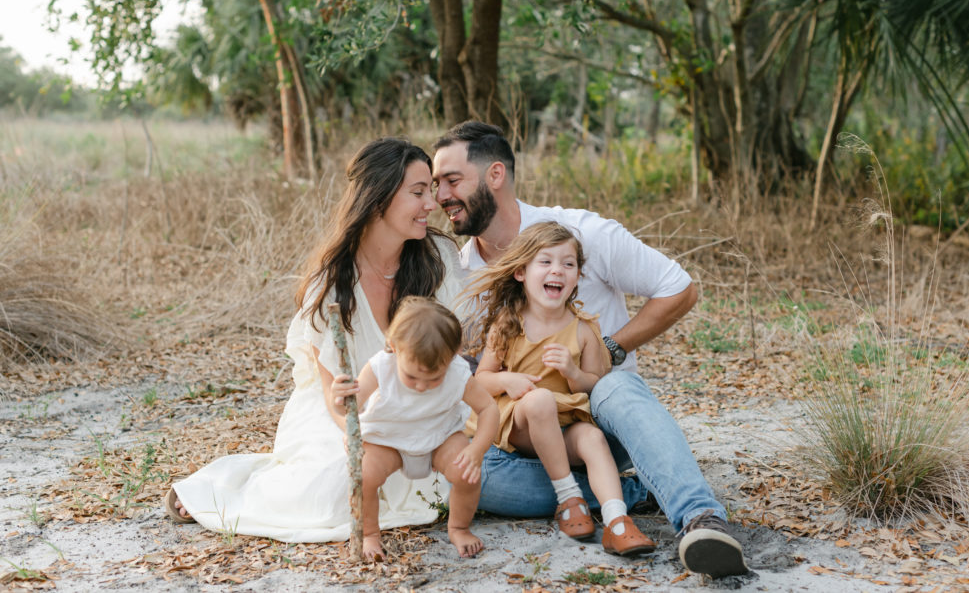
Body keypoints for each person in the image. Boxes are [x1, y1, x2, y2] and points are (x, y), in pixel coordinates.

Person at [432, 122, 748, 579]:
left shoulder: (581, 234)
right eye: (436, 184)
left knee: (615, 387)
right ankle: (627, 494)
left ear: (494, 175)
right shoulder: (461, 272)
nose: (440, 194)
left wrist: (608, 351)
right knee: (466, 479)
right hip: (521, 435)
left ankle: (701, 519)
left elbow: (678, 288)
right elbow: (472, 369)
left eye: (451, 180)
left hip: (595, 416)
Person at [164, 137, 470, 546]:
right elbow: (333, 399)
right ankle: (216, 488)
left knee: (448, 480)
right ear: (378, 198)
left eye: (429, 192)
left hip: (425, 403)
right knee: (332, 489)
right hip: (346, 415)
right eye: (417, 193)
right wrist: (367, 433)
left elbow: (457, 357)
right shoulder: (332, 283)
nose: (431, 204)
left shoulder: (438, 259)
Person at [464, 221, 656, 556]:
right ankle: (569, 497)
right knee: (539, 401)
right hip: (519, 425)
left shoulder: (584, 330)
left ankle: (617, 521)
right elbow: (480, 380)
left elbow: (596, 385)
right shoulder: (509, 324)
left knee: (593, 438)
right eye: (546, 262)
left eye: (568, 264)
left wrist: (572, 372)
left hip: (565, 423)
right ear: (521, 272)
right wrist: (508, 380)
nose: (558, 270)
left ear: (578, 276)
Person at [329, 296, 498, 560]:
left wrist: (477, 449)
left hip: (440, 438)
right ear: (394, 348)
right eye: (412, 377)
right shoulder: (379, 367)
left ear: (452, 357)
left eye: (434, 379)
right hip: (388, 440)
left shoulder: (458, 372)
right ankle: (370, 533)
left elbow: (489, 409)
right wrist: (339, 398)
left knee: (467, 474)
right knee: (363, 475)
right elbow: (349, 409)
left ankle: (459, 527)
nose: (421, 386)